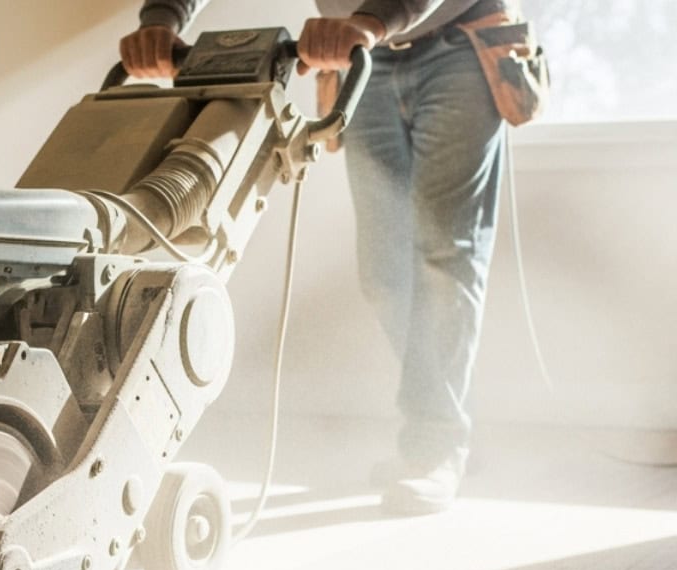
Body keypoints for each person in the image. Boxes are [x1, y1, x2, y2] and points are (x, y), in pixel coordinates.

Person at [122, 1, 518, 515]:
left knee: (445, 257)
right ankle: (448, 422)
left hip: (456, 49)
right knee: (383, 272)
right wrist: (160, 22)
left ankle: (435, 444)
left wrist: (374, 20)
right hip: (365, 61)